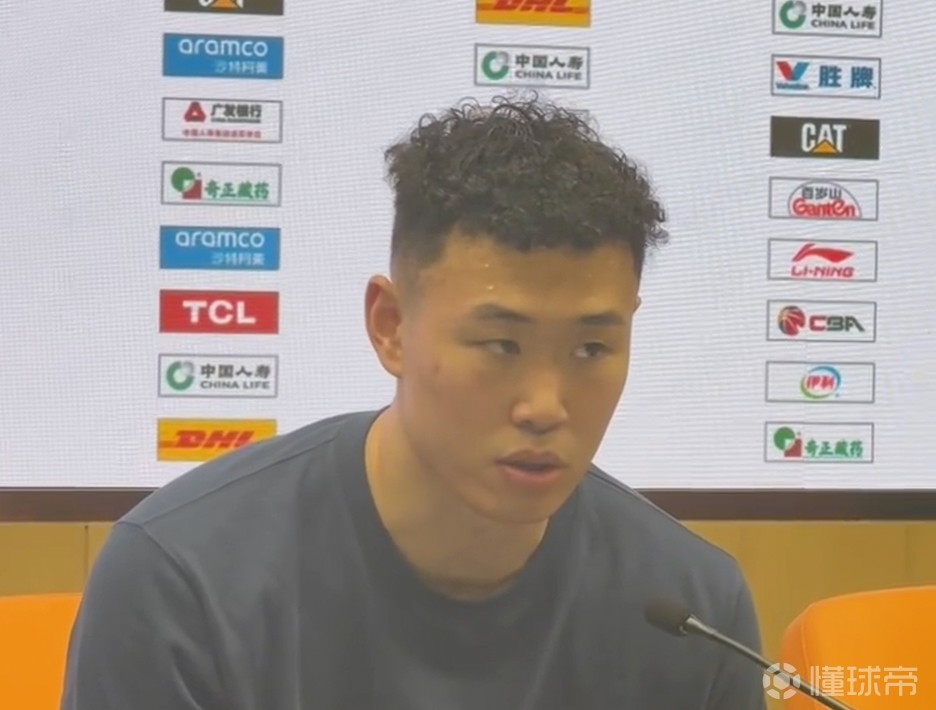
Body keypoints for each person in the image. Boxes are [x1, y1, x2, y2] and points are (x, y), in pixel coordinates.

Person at [61, 95, 766, 709]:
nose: (546, 406)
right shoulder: (182, 581)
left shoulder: (693, 612)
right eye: (501, 345)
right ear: (391, 326)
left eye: (590, 350)